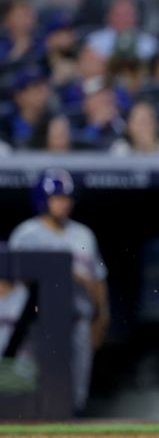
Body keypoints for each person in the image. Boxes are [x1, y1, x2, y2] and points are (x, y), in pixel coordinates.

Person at [8, 169, 109, 413]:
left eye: (67, 198)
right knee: (29, 388)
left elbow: (98, 282)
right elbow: (9, 284)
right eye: (57, 197)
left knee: (75, 392)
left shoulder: (84, 234)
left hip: (77, 320)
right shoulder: (25, 234)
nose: (64, 203)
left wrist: (100, 321)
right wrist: (63, 272)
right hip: (36, 324)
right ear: (43, 199)